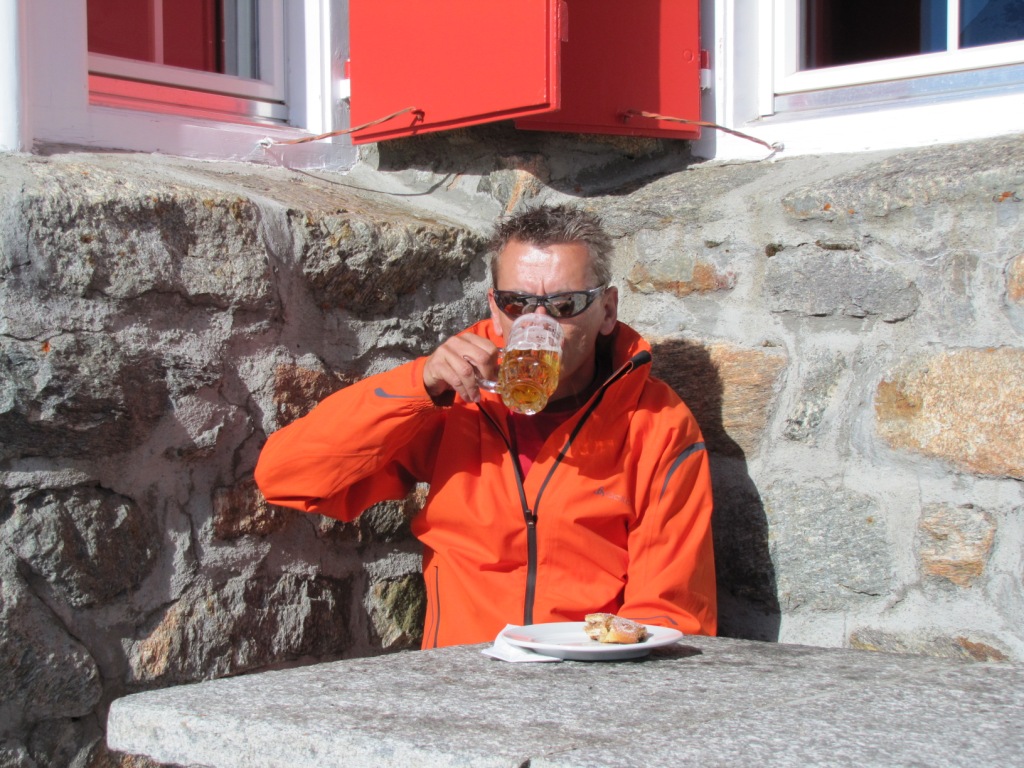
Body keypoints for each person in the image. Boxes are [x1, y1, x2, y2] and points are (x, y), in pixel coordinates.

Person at [255, 204, 716, 648]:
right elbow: (286, 477)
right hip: (464, 682)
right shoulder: (454, 400)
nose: (537, 322)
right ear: (495, 308)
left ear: (608, 310)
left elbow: (668, 615)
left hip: (586, 683)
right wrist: (419, 385)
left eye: (564, 305)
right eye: (517, 303)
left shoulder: (656, 423)